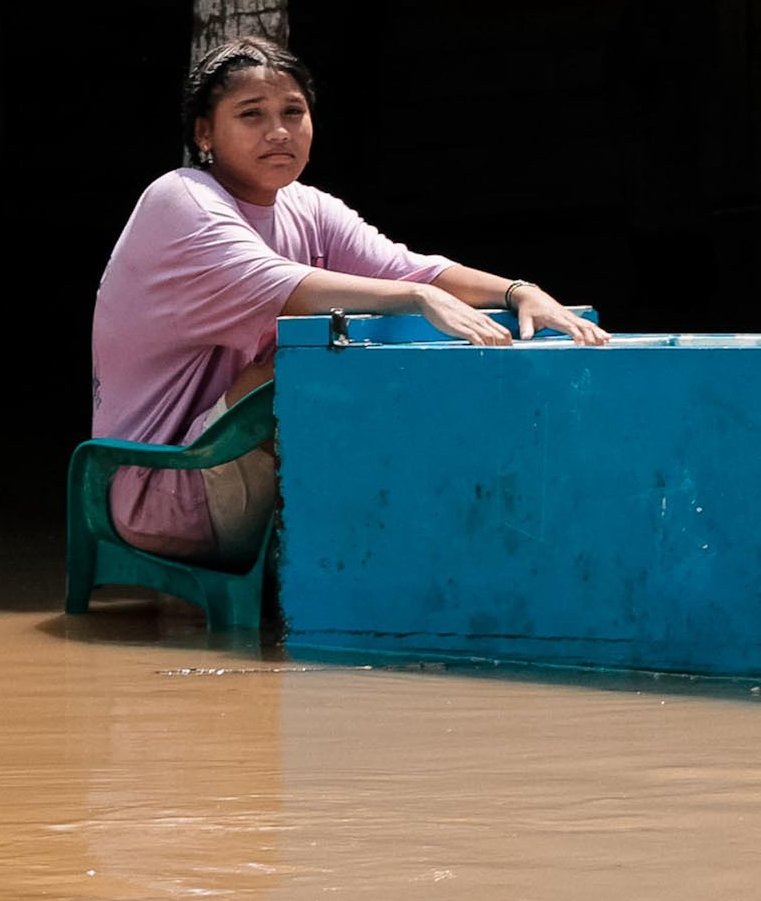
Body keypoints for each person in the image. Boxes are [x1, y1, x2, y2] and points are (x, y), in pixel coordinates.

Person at [91, 37, 609, 567]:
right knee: (307, 357)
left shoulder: (307, 206)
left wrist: (518, 292)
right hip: (158, 490)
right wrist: (418, 298)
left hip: (230, 473)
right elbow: (285, 286)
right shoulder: (180, 199)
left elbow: (409, 267)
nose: (279, 131)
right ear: (205, 133)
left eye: (293, 112)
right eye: (252, 115)